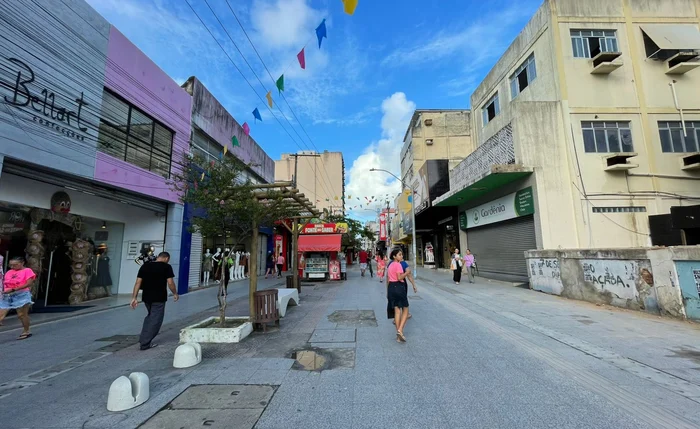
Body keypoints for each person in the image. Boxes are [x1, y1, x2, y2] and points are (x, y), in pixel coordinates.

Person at [130, 252, 179, 350]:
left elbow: (138, 282)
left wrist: (134, 298)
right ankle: (145, 343)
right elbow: (170, 283)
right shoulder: (166, 267)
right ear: (166, 258)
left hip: (146, 297)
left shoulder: (145, 266)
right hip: (159, 297)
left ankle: (143, 338)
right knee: (156, 320)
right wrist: (175, 293)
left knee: (150, 317)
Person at [0, 256, 36, 340]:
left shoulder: (27, 271)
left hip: (21, 294)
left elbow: (28, 284)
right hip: (8, 295)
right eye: (10, 265)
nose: (12, 267)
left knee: (21, 315)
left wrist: (14, 289)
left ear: (22, 263)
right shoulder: (9, 272)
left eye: (15, 265)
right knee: (1, 313)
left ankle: (26, 331)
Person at [387, 249, 410, 342]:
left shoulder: (390, 265)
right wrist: (407, 273)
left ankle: (398, 336)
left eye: (402, 254)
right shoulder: (398, 265)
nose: (401, 256)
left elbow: (388, 279)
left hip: (391, 287)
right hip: (399, 287)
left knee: (397, 311)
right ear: (394, 256)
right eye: (399, 255)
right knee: (405, 309)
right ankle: (400, 330)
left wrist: (387, 291)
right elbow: (399, 277)